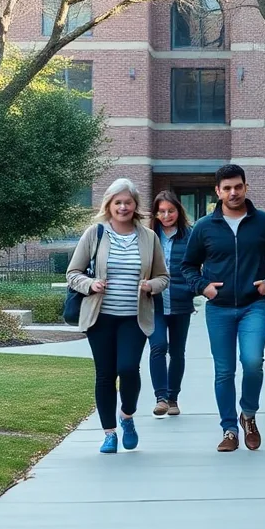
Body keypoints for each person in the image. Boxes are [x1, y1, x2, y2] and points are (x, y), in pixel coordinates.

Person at [181, 164, 265, 452]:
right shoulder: (205, 226)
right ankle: (229, 429)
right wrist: (203, 286)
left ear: (246, 187)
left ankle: (249, 415)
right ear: (218, 192)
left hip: (253, 305)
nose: (233, 192)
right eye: (227, 188)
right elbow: (188, 266)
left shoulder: (264, 222)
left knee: (253, 363)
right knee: (224, 371)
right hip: (218, 309)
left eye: (238, 187)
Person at [66, 178, 169, 454]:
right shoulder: (95, 234)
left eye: (128, 202)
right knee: (105, 374)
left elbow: (163, 277)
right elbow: (72, 273)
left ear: (135, 205)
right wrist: (90, 284)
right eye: (117, 202)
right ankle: (109, 433)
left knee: (128, 369)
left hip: (134, 318)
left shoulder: (148, 237)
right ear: (109, 205)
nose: (123, 207)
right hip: (100, 318)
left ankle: (127, 416)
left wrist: (150, 285)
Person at [149, 191, 195, 418]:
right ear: (156, 213)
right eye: (162, 211)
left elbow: (197, 265)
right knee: (158, 346)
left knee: (177, 352)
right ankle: (161, 398)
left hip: (181, 302)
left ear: (179, 211)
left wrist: (194, 288)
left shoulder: (190, 235)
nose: (167, 215)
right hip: (154, 303)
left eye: (171, 210)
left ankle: (173, 398)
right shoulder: (148, 236)